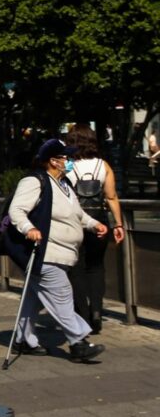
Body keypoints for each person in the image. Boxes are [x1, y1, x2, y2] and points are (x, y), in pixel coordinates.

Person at [8, 139, 107, 362]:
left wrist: (94, 225)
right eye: (66, 157)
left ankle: (24, 340)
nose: (70, 161)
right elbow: (17, 210)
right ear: (53, 161)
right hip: (46, 254)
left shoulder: (64, 184)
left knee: (34, 299)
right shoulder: (35, 181)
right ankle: (78, 342)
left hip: (63, 253)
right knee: (62, 296)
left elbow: (78, 215)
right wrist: (29, 228)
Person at [65, 123, 125, 334]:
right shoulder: (103, 165)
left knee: (76, 267)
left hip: (75, 220)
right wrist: (118, 223)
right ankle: (97, 312)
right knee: (97, 266)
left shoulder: (67, 165)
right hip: (99, 219)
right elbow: (111, 196)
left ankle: (82, 315)